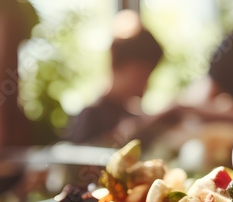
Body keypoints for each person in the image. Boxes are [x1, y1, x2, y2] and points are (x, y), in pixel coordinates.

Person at [67, 10, 163, 144]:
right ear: (119, 67)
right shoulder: (91, 115)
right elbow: (77, 158)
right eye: (142, 75)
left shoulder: (131, 114)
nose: (146, 84)